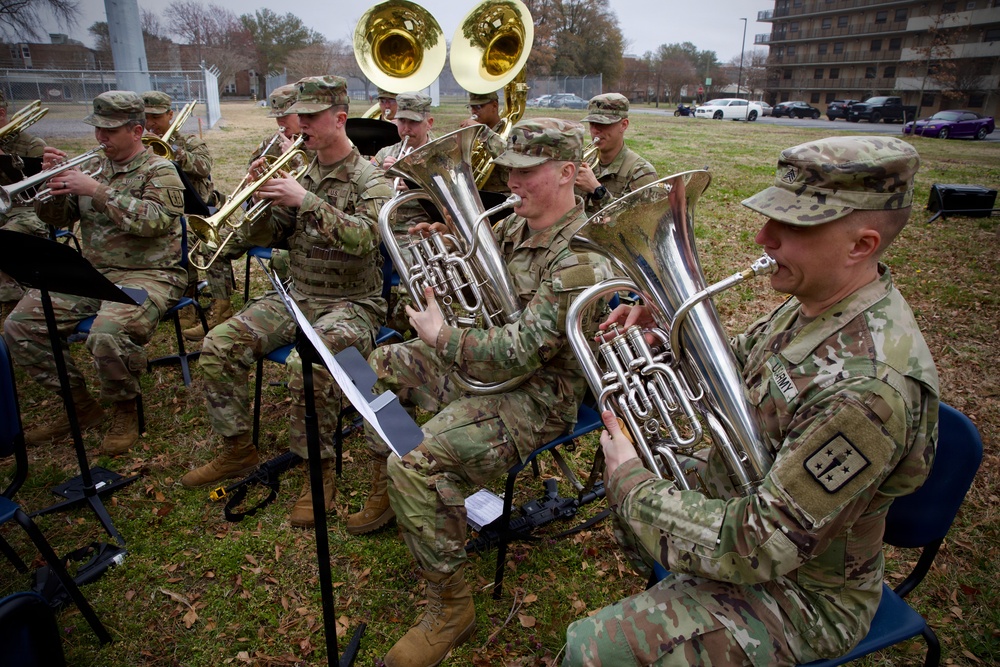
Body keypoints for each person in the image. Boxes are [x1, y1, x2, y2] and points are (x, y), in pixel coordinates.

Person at [562, 136, 940, 666]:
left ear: (861, 245)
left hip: (806, 594)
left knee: (591, 649)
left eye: (793, 227)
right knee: (644, 474)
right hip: (756, 503)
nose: (763, 238)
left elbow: (758, 546)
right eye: (771, 218)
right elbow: (744, 360)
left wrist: (632, 484)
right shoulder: (818, 301)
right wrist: (673, 332)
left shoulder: (867, 392)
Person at [350, 118, 614, 667]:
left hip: (540, 395)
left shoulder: (580, 256)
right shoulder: (517, 224)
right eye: (509, 170)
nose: (510, 182)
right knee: (374, 367)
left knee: (418, 465)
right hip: (486, 364)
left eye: (526, 172)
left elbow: (522, 349)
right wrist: (447, 245)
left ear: (568, 174)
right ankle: (390, 494)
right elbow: (486, 288)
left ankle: (450, 608)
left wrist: (442, 336)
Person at [179, 75, 392, 529]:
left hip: (352, 304)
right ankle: (238, 448)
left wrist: (307, 200)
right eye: (300, 116)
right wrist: (260, 200)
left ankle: (319, 475)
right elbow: (269, 234)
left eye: (312, 117)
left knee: (306, 366)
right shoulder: (299, 170)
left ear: (339, 119)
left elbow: (368, 239)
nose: (301, 125)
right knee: (218, 345)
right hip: (297, 297)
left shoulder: (370, 177)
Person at [3, 91, 186, 454]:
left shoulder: (160, 170)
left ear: (136, 131)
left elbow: (156, 221)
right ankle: (79, 404)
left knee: (107, 333)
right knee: (19, 326)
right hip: (94, 272)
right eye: (97, 129)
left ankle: (124, 409)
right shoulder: (95, 167)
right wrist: (51, 187)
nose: (101, 138)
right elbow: (56, 219)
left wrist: (98, 191)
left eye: (110, 131)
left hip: (151, 274)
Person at [140, 90, 233, 342]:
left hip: (194, 211)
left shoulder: (190, 141)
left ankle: (211, 306)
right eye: (146, 117)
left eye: (156, 117)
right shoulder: (139, 144)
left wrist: (172, 151)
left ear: (170, 115)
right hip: (159, 212)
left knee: (196, 243)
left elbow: (204, 167)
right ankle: (182, 301)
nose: (150, 123)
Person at [372, 91, 436, 333]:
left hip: (418, 231)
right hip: (382, 228)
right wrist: (379, 176)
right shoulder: (385, 154)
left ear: (428, 123)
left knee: (420, 276)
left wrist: (417, 183)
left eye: (414, 123)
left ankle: (399, 325)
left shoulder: (439, 154)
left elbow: (448, 207)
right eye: (402, 122)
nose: (407, 129)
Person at [0, 91, 48, 320]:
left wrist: (4, 159)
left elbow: (39, 192)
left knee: (5, 238)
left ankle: (14, 303)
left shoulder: (32, 145)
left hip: (28, 210)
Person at [575, 92, 657, 216]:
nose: (596, 130)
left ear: (623, 125)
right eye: (592, 124)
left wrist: (597, 190)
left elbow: (634, 223)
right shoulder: (585, 163)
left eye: (603, 124)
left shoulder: (641, 172)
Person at [459, 90, 510, 195]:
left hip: (502, 198)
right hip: (476, 196)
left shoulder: (510, 133)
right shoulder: (473, 134)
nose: (473, 111)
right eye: (471, 107)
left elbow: (510, 159)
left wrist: (483, 131)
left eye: (478, 107)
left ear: (494, 106)